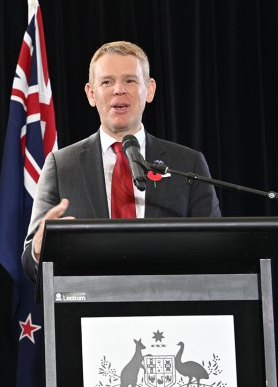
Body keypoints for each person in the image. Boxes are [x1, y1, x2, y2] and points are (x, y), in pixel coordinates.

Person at [21, 41, 220, 281]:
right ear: (91, 94)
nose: (118, 89)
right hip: (90, 312)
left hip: (170, 308)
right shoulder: (61, 165)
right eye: (106, 82)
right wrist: (38, 249)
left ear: (150, 90)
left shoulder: (188, 164)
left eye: (130, 80)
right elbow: (31, 267)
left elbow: (215, 249)